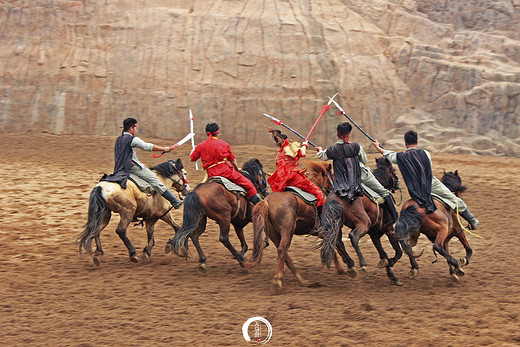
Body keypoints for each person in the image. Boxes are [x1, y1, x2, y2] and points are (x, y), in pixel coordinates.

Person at [373, 129, 479, 229]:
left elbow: (389, 154)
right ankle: (472, 220)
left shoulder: (400, 157)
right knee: (453, 199)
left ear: (405, 143)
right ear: (417, 142)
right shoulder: (425, 154)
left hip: (415, 189)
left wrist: (378, 147)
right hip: (431, 184)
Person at [316, 122, 398, 222]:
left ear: (338, 134)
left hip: (343, 180)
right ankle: (395, 218)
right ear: (348, 135)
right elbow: (364, 160)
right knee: (384, 192)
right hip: (361, 177)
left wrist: (320, 150)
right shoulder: (356, 147)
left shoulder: (332, 149)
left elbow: (322, 156)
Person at [101, 117, 183, 209]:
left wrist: (139, 162)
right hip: (132, 169)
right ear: (131, 128)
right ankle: (174, 201)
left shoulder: (118, 140)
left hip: (120, 169)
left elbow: (126, 155)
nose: (136, 130)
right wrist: (164, 148)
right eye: (135, 128)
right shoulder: (132, 139)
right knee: (156, 181)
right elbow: (147, 147)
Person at [190, 122, 262, 205]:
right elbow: (232, 160)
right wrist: (237, 169)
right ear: (217, 133)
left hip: (210, 173)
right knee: (248, 184)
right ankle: (258, 204)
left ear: (206, 133)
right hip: (224, 171)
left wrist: (192, 151)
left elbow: (192, 159)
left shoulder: (200, 145)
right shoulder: (224, 144)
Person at [267, 129, 325, 217]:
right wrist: (304, 145)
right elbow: (302, 153)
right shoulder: (290, 147)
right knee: (318, 192)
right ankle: (322, 217)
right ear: (286, 140)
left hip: (283, 180)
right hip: (293, 177)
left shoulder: (279, 154)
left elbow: (288, 165)